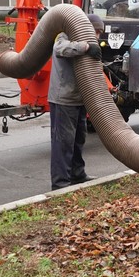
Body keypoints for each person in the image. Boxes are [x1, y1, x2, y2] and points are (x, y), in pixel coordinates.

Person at [48, 14, 104, 190]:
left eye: (99, 33)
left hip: (79, 99)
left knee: (78, 139)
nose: (97, 36)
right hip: (64, 99)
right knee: (63, 143)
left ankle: (77, 175)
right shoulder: (64, 36)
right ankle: (60, 183)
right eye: (96, 31)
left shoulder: (90, 45)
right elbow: (60, 49)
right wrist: (85, 46)